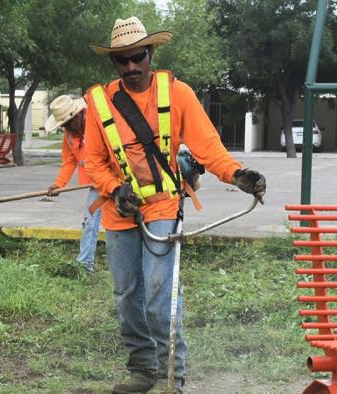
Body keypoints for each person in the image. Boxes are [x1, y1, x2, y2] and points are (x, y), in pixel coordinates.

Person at [83, 17, 266, 393]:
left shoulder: (178, 93)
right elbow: (93, 161)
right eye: (123, 61)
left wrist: (236, 174)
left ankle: (172, 378)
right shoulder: (98, 102)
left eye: (138, 57)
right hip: (121, 210)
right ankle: (142, 370)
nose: (132, 67)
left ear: (151, 53)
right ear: (114, 63)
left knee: (158, 294)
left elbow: (208, 146)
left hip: (163, 205)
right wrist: (115, 188)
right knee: (126, 295)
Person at [45, 95, 101, 273]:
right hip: (96, 186)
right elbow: (69, 161)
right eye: (62, 125)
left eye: (67, 123)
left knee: (128, 221)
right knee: (90, 222)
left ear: (77, 115)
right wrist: (59, 183)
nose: (65, 128)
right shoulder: (69, 134)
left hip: (117, 182)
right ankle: (85, 266)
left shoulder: (98, 122)